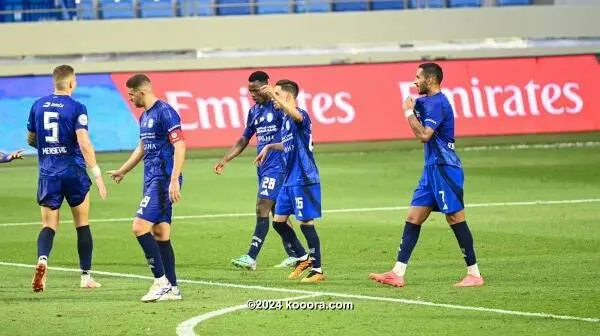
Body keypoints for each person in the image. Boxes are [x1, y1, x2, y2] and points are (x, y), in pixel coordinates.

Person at [369, 63, 484, 288]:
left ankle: (474, 274)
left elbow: (424, 135)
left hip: (445, 168)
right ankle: (397, 272)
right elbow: (418, 106)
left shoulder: (439, 104)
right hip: (430, 170)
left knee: (455, 218)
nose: (414, 81)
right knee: (413, 217)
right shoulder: (426, 102)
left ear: (430, 80)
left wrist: (408, 112)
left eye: (417, 77)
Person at [27, 64, 107, 292]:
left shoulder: (38, 105)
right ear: (71, 83)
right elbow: (83, 142)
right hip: (73, 172)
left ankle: (43, 259)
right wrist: (98, 175)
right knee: (82, 224)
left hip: (48, 173)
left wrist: (47, 147)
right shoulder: (77, 107)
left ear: (55, 82)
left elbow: (32, 138)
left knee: (48, 225)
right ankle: (86, 277)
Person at [107, 74, 186, 301]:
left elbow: (180, 145)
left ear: (142, 92)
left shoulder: (166, 112)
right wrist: (124, 170)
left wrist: (174, 179)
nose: (130, 98)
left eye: (131, 94)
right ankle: (173, 288)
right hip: (150, 178)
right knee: (160, 233)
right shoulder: (145, 116)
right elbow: (143, 146)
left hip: (163, 179)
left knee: (139, 226)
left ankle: (160, 281)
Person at [214, 71, 303, 270]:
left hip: (279, 165)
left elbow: (294, 125)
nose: (252, 94)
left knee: (261, 206)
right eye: (249, 91)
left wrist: (274, 95)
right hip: (263, 167)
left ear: (266, 86)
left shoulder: (279, 107)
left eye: (255, 90)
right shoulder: (254, 111)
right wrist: (226, 159)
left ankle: (251, 256)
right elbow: (244, 138)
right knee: (276, 211)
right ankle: (297, 255)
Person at [254, 79, 325, 283]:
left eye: (277, 94)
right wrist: (269, 147)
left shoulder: (299, 114)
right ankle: (303, 258)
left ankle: (318, 269)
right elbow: (288, 145)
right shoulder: (285, 120)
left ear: (287, 95)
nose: (272, 98)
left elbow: (296, 115)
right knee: (278, 222)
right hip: (288, 179)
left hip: (303, 178)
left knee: (305, 223)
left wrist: (275, 96)